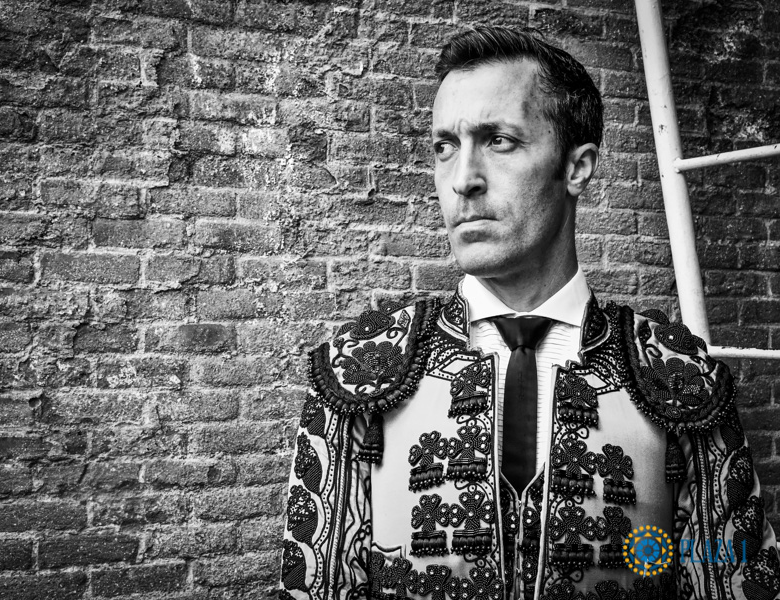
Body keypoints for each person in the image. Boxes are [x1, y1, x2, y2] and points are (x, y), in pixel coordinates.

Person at [279, 26, 780, 600]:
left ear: (577, 168)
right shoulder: (358, 371)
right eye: (445, 147)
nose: (462, 180)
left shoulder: (681, 378)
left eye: (498, 141)